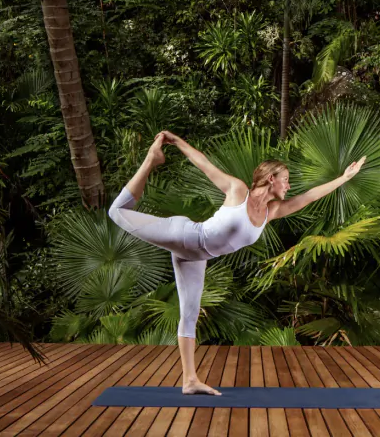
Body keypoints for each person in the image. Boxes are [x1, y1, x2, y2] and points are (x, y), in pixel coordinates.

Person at [108, 130, 366, 395]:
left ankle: (189, 380)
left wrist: (343, 178)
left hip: (196, 258)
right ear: (271, 178)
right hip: (185, 235)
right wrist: (177, 142)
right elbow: (205, 165)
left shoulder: (271, 212)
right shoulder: (238, 191)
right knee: (116, 212)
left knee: (189, 315)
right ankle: (151, 159)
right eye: (286, 180)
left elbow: (308, 197)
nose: (289, 186)